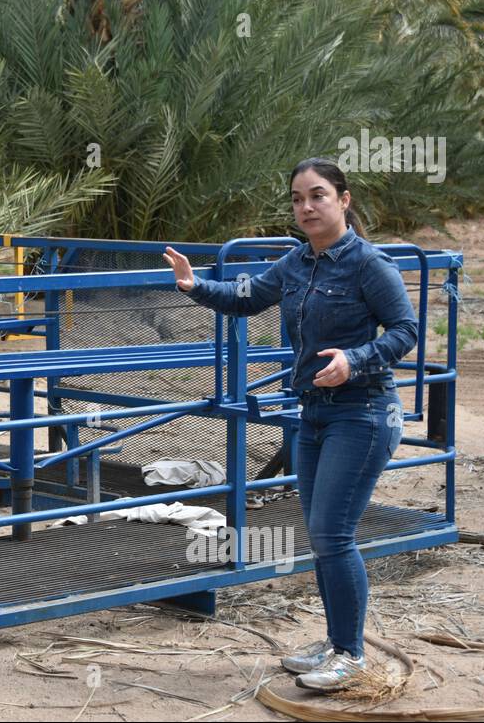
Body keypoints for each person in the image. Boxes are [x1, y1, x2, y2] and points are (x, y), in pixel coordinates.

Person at [162, 157, 418, 691]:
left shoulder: (370, 265)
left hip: (364, 413)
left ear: (343, 201)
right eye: (298, 199)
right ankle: (335, 642)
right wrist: (193, 286)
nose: (306, 207)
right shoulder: (297, 262)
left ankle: (349, 654)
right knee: (323, 536)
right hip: (314, 414)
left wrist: (355, 359)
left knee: (332, 533)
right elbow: (248, 297)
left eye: (318, 196)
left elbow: (405, 330)